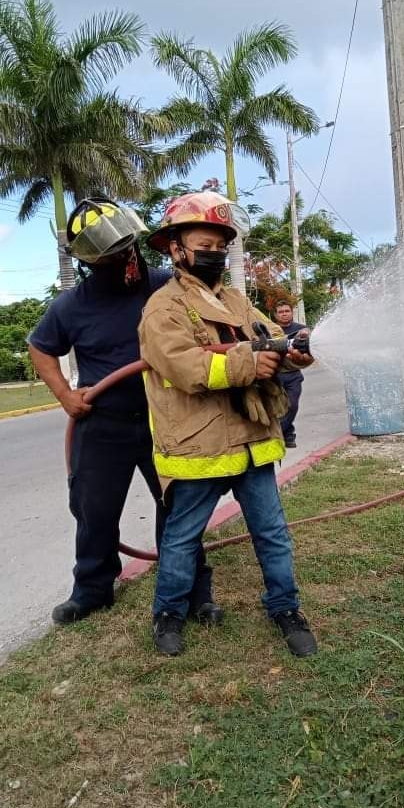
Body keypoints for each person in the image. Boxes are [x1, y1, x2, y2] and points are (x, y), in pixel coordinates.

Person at [138, 191, 318, 659]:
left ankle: (286, 608)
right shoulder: (163, 309)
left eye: (222, 246)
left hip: (253, 438)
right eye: (205, 244)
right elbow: (186, 367)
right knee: (182, 537)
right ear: (175, 248)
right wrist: (245, 365)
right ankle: (169, 613)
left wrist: (294, 348)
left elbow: (270, 341)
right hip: (201, 445)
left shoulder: (237, 302)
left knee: (272, 531)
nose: (215, 254)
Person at [28, 196, 220, 626]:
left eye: (128, 249)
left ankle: (192, 591)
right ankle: (92, 591)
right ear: (90, 263)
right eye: (112, 257)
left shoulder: (167, 287)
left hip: (167, 418)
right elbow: (40, 347)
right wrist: (65, 394)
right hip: (102, 423)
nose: (125, 260)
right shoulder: (71, 306)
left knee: (179, 506)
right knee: (93, 509)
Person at [273, 300, 308, 448]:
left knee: (292, 406)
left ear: (292, 312)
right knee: (278, 408)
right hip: (276, 375)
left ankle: (281, 432)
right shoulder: (273, 330)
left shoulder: (302, 330)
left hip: (294, 375)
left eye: (287, 311)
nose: (284, 314)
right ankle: (288, 435)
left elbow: (308, 352)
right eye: (281, 312)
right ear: (275, 315)